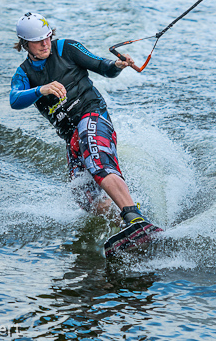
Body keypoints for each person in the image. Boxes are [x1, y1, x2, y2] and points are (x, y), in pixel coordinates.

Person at [9, 12, 148, 228]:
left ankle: (134, 216)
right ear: (25, 44)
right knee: (85, 197)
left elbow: (103, 66)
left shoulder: (66, 48)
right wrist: (40, 90)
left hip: (92, 114)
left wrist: (117, 65)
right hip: (71, 136)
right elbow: (14, 99)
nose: (45, 44)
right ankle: (128, 228)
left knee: (98, 161)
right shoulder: (24, 74)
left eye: (47, 37)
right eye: (37, 41)